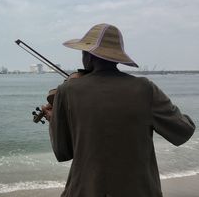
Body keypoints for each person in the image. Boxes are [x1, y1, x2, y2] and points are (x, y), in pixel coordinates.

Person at [42, 23, 195, 197]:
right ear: (117, 58)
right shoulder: (145, 89)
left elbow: (63, 151)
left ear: (88, 56)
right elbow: (183, 132)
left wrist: (54, 120)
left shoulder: (67, 90)